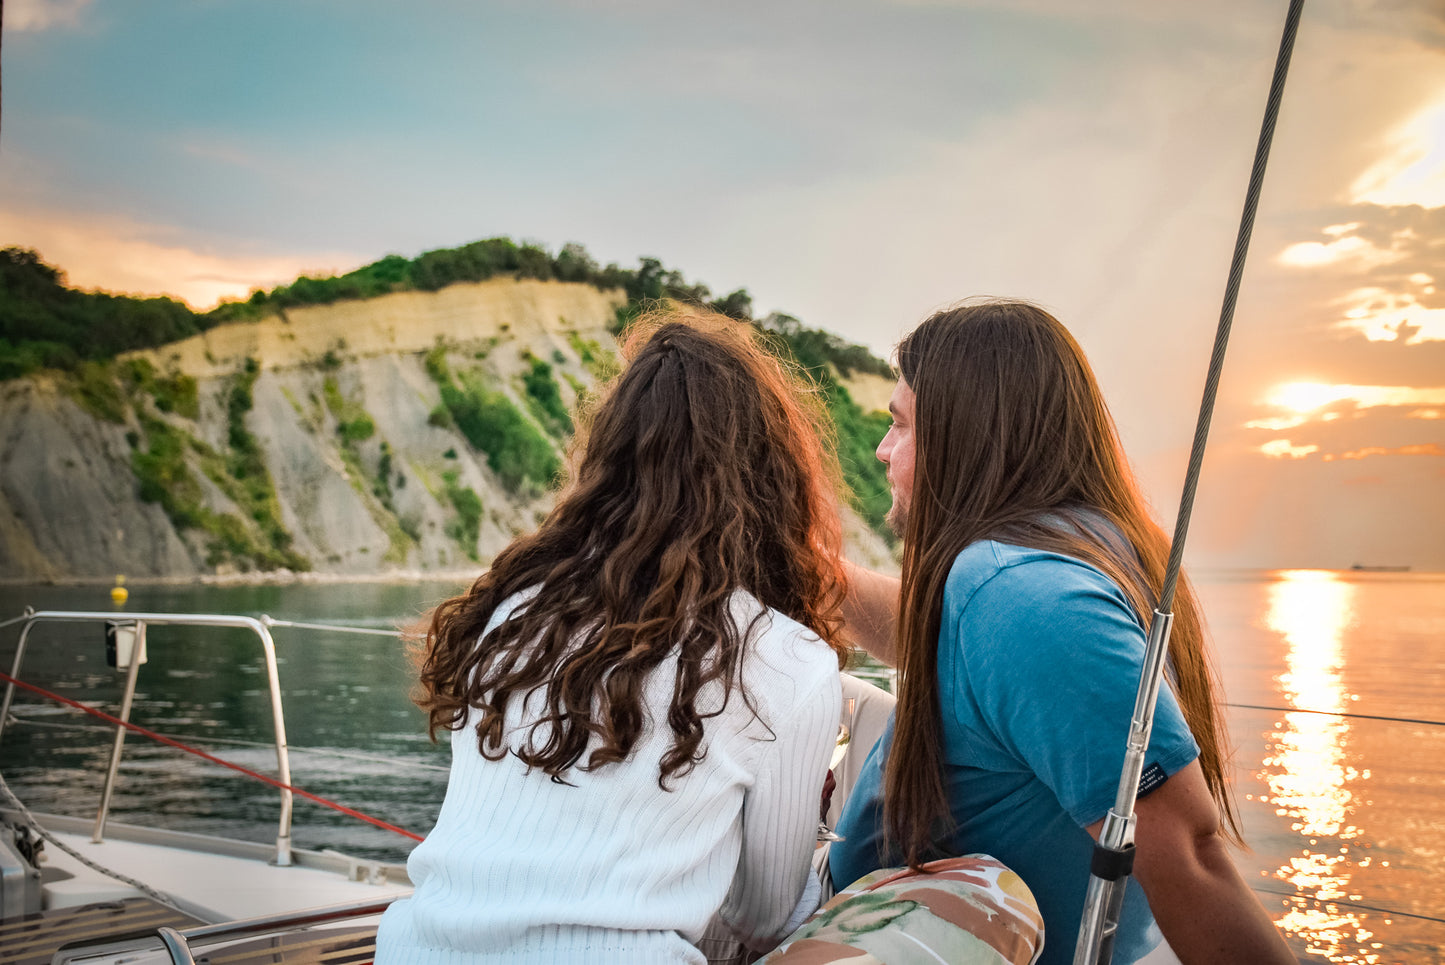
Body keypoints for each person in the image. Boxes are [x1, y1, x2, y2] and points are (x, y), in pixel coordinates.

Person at [375, 309, 848, 965]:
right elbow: (762, 916)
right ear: (771, 475)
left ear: (604, 458)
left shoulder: (511, 608)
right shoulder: (788, 662)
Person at [828, 301, 1294, 965]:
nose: (881, 450)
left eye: (899, 425)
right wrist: (813, 574)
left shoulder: (1025, 597)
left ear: (966, 436)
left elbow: (1188, 857)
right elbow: (957, 649)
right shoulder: (1064, 553)